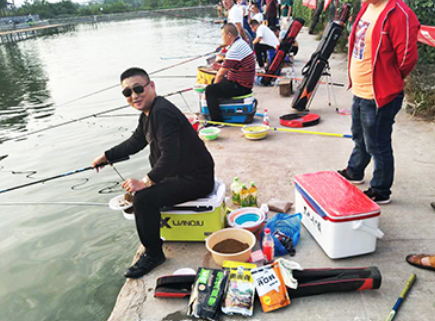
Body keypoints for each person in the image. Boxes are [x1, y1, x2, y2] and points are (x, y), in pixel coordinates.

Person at [92, 68, 215, 279]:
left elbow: (170, 156)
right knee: (142, 192)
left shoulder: (162, 112)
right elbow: (135, 142)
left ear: (152, 86)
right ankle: (153, 231)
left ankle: (153, 254)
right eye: (127, 93)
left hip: (197, 178)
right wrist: (107, 156)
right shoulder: (148, 114)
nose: (134, 95)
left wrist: (146, 182)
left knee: (143, 199)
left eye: (138, 88)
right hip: (179, 174)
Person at [338, 0, 420, 204]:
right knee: (359, 136)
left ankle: (380, 189)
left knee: (378, 144)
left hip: (379, 94)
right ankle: (355, 170)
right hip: (360, 90)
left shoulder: (400, 13)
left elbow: (407, 59)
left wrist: (388, 80)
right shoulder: (367, 7)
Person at [205, 23, 255, 122]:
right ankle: (219, 110)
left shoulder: (234, 50)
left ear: (229, 35)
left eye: (222, 35)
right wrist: (220, 67)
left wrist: (214, 86)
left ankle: (216, 121)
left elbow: (220, 74)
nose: (222, 38)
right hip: (244, 82)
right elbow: (234, 66)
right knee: (214, 82)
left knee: (210, 90)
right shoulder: (241, 42)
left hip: (241, 86)